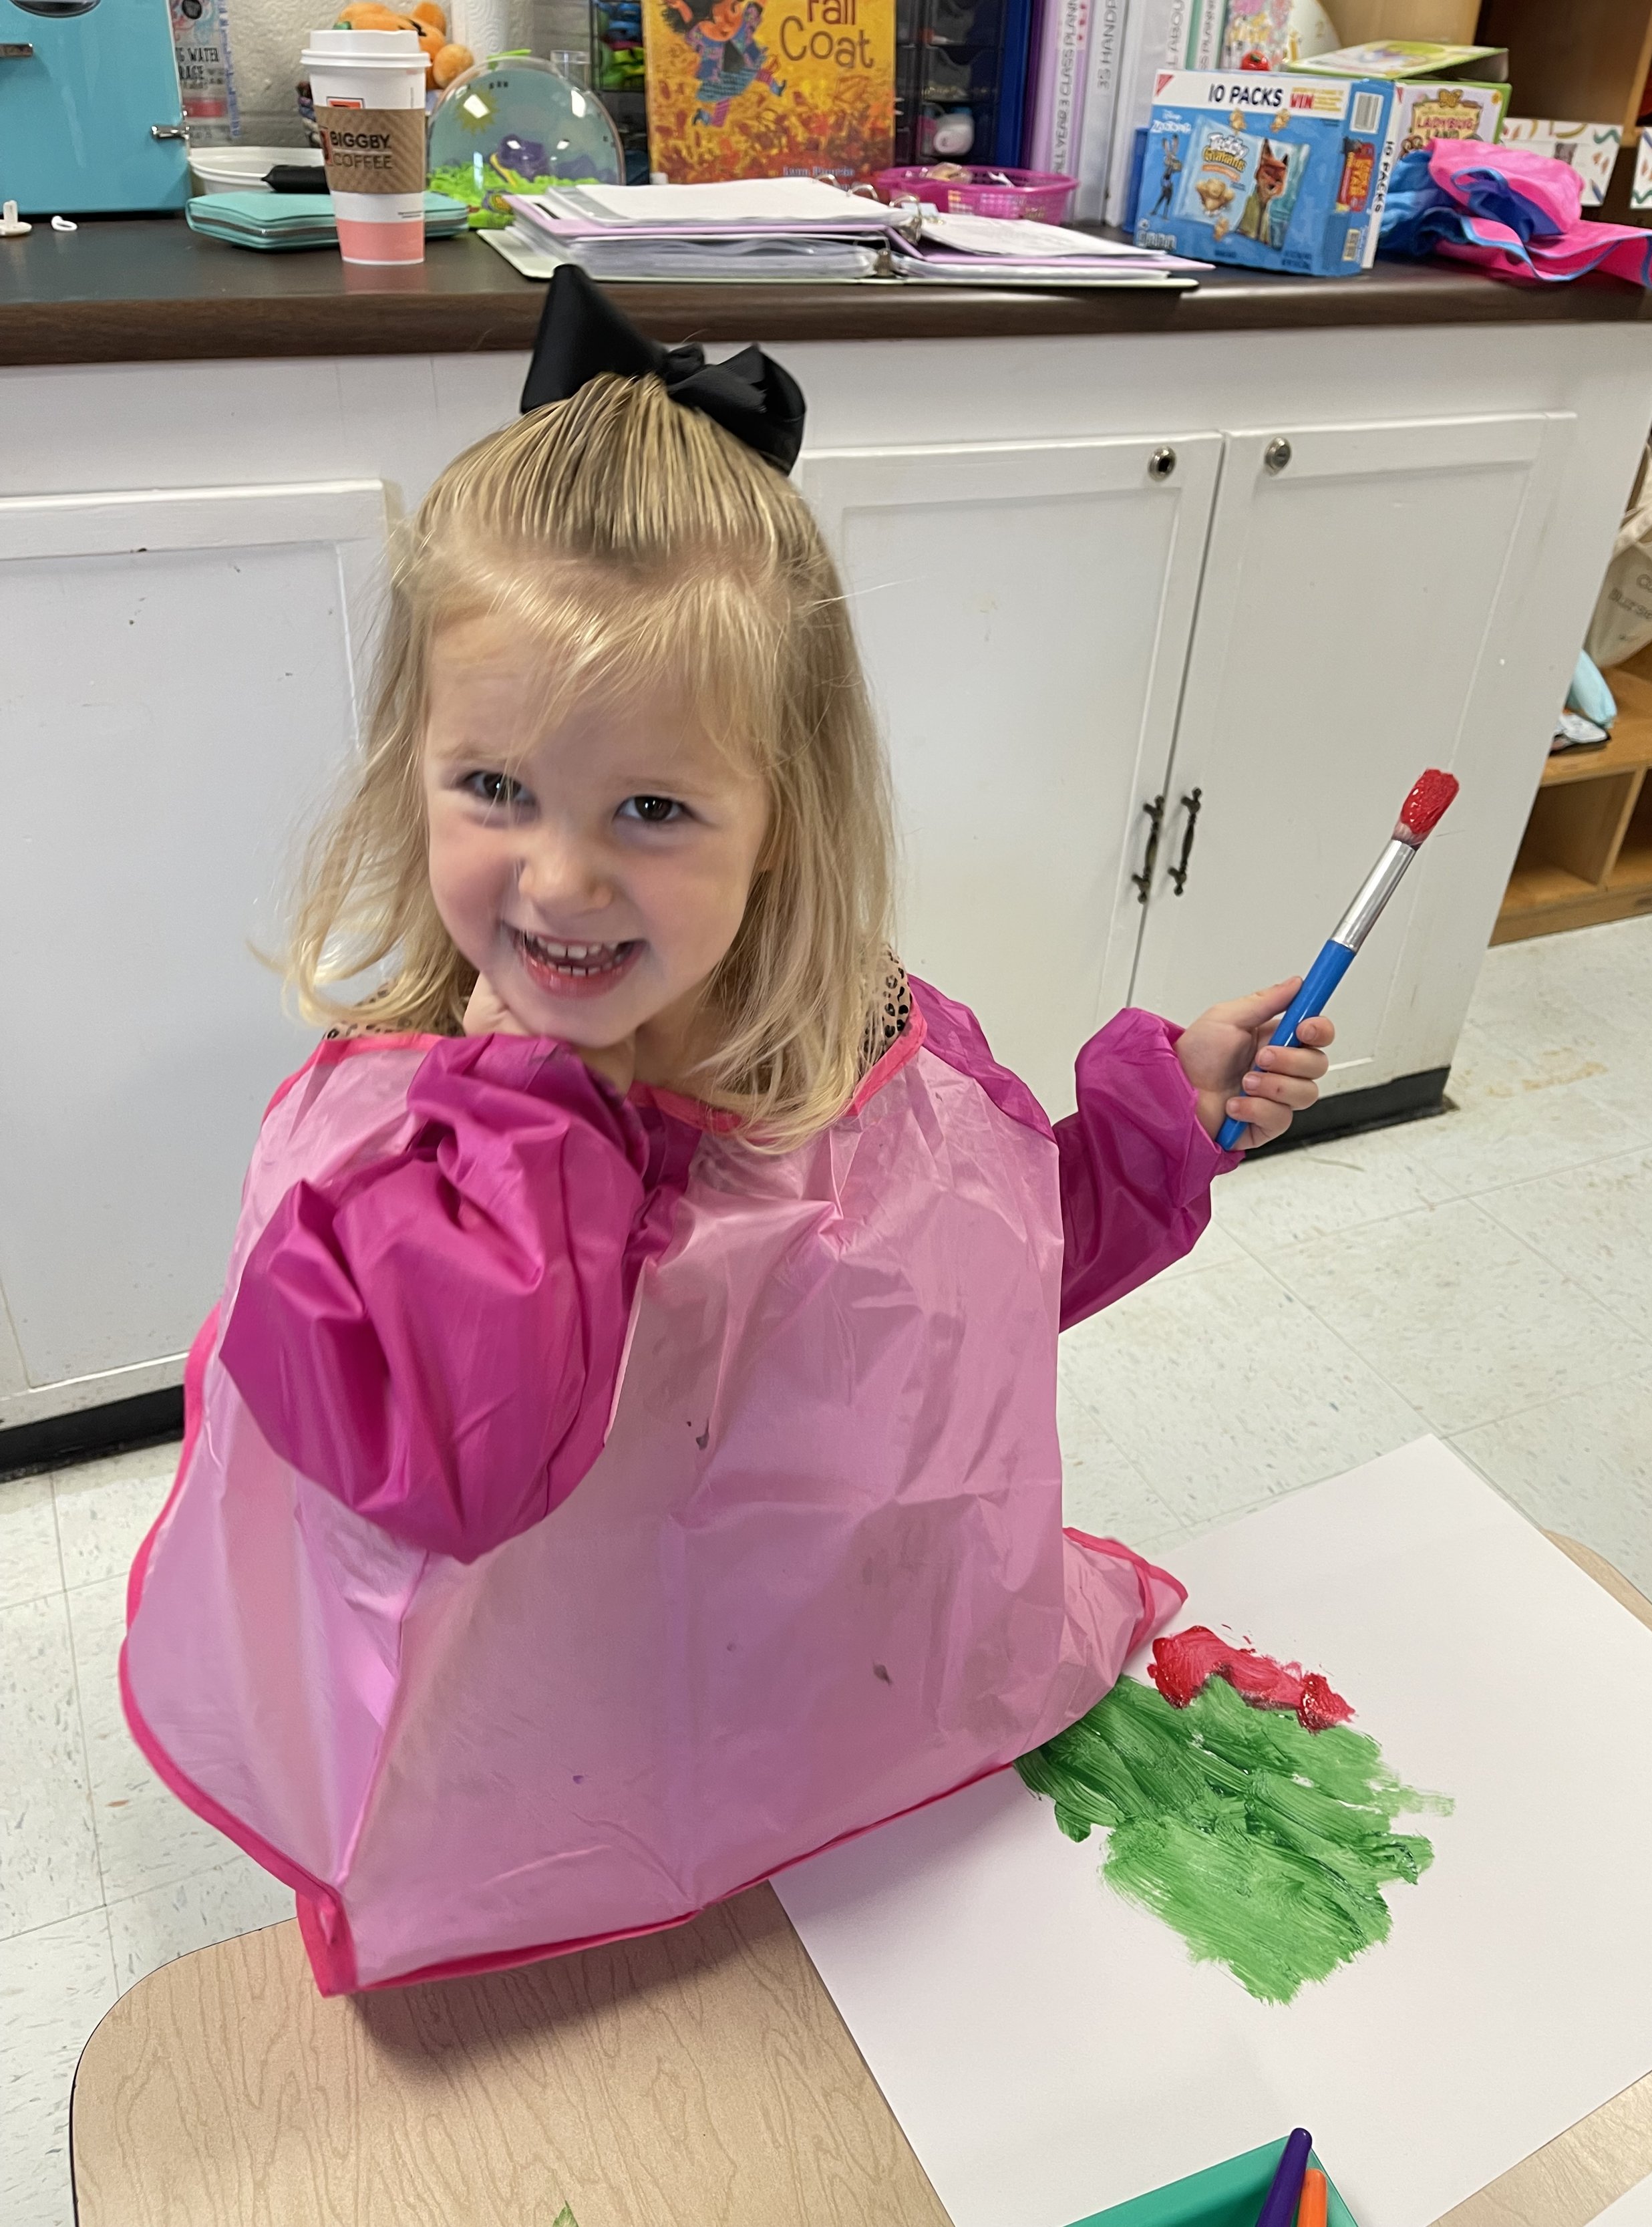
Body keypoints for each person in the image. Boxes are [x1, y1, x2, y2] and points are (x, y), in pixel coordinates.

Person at [121, 273, 1332, 1996]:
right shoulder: (391, 1156)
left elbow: (962, 1297)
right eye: (497, 789)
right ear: (415, 761)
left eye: (655, 809)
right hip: (563, 1793)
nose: (558, 878)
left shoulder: (857, 1043)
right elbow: (449, 1471)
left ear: (787, 814)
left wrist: (1163, 1125)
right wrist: (521, 1123)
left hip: (853, 1736)